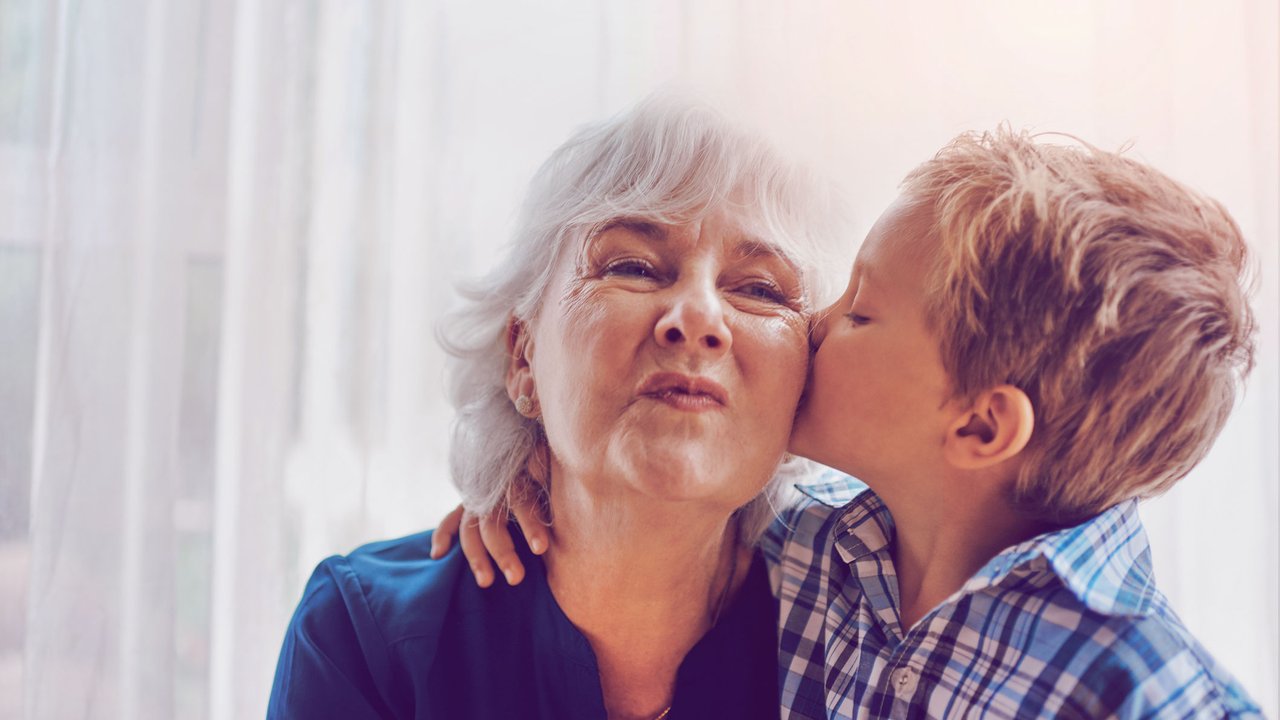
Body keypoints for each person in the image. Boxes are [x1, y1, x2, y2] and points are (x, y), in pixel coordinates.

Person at [446, 128, 1264, 718]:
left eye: (861, 309)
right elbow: (659, 503)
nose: (814, 324)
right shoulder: (821, 545)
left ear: (980, 429)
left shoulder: (1149, 689)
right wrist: (530, 474)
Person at [266, 96, 846, 719]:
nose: (699, 318)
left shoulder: (857, 631)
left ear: (804, 385)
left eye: (761, 290)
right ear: (523, 357)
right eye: (634, 267)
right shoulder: (362, 634)